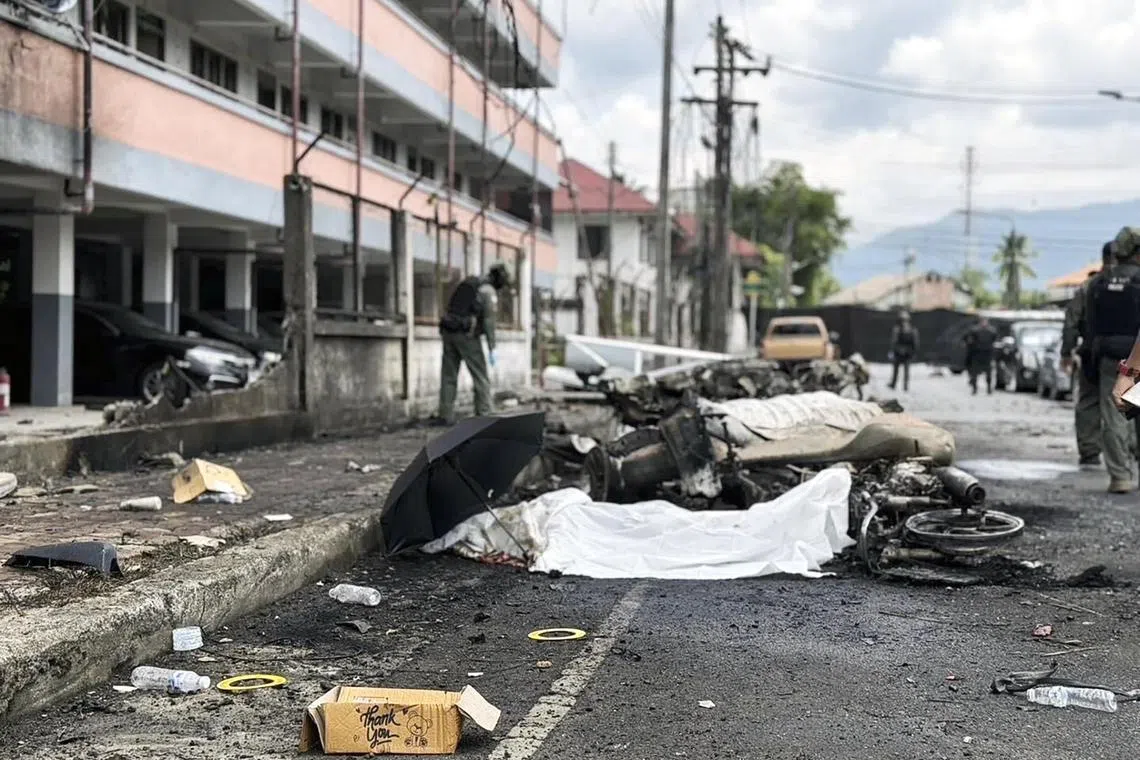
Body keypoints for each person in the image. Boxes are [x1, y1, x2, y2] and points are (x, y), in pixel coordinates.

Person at [1090, 227, 1140, 493]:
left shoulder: (1098, 282)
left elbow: (1090, 325)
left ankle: (1120, 476)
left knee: (1115, 416)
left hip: (1110, 357)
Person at [431, 262, 510, 426]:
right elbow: (488, 322)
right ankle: (484, 414)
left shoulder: (471, 282)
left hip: (448, 331)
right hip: (466, 336)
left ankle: (445, 414)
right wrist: (492, 347)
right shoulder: (488, 291)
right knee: (480, 375)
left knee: (448, 375)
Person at [1061, 242, 1114, 468]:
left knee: (1089, 402)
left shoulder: (1088, 287)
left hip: (1091, 351)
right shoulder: (1133, 283)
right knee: (1122, 404)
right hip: (1127, 354)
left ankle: (1090, 452)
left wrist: (1066, 351)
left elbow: (1071, 322)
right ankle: (1124, 454)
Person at [963, 316, 997, 395]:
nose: (984, 323)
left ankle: (988, 388)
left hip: (986, 354)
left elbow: (994, 340)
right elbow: (968, 340)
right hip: (977, 354)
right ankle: (975, 388)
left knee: (988, 373)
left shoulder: (991, 331)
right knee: (975, 372)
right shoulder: (975, 331)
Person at [888, 310, 919, 391]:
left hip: (902, 352)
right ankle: (899, 385)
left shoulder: (900, 329)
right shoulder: (910, 329)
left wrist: (895, 350)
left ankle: (897, 385)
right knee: (901, 370)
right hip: (903, 352)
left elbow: (894, 341)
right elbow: (915, 343)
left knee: (900, 370)